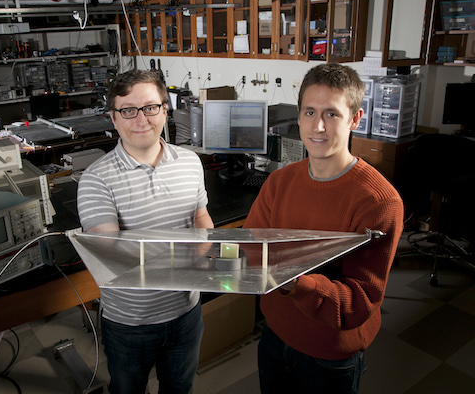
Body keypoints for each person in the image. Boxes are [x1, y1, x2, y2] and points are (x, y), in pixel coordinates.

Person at [244, 63, 404, 394]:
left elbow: (360, 301)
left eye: (331, 113)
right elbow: (250, 246)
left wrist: (296, 281)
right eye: (310, 112)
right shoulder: (279, 181)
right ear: (299, 116)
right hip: (275, 334)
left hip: (329, 355)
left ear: (355, 119)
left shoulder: (379, 202)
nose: (318, 126)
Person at [77, 69, 214, 394]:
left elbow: (201, 217)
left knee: (179, 389)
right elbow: (115, 256)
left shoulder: (191, 162)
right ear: (113, 117)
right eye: (128, 110)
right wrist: (190, 257)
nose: (141, 119)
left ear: (165, 110)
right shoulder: (96, 180)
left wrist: (210, 249)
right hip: (131, 324)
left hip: (186, 313)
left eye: (151, 108)